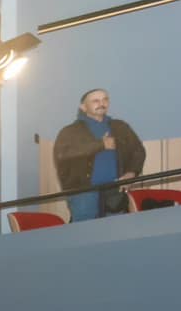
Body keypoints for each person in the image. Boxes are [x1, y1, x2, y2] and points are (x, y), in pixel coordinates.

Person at [53, 89, 145, 221]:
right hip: (82, 193)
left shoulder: (121, 127)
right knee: (85, 235)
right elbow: (63, 155)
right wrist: (101, 145)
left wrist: (131, 173)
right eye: (95, 100)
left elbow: (138, 151)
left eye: (105, 99)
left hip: (116, 190)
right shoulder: (69, 131)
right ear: (83, 107)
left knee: (115, 233)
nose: (102, 103)